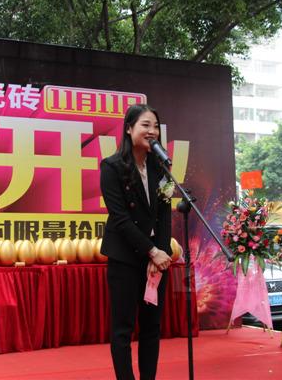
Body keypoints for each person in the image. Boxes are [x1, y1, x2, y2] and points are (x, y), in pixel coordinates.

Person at [100, 104, 173, 380]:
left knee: (152, 327)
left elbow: (164, 214)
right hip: (125, 257)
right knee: (123, 329)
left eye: (155, 126)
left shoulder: (160, 167)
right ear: (129, 129)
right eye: (145, 125)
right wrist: (151, 251)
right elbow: (120, 218)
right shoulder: (112, 167)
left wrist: (161, 252)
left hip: (156, 258)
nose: (151, 131)